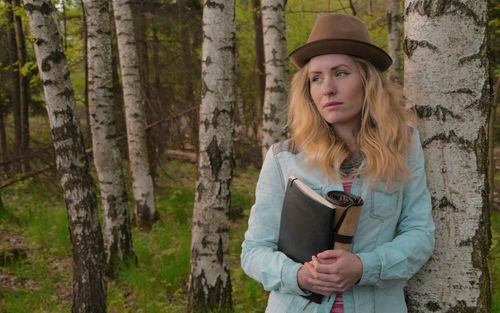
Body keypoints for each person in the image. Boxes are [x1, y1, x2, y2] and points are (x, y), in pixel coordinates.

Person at [240, 13, 435, 313]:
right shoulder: (283, 158)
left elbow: (420, 234)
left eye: (340, 73)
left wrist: (363, 266)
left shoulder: (403, 145)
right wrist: (300, 275)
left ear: (367, 80)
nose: (327, 88)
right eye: (316, 78)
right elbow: (253, 251)